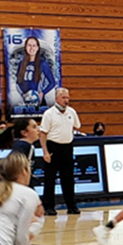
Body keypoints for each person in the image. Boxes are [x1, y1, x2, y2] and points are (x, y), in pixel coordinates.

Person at [39, 87, 81, 215]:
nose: (66, 100)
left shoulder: (71, 112)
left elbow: (77, 126)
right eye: (63, 98)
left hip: (67, 147)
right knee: (50, 179)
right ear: (56, 99)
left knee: (68, 178)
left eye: (67, 97)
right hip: (53, 147)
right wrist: (45, 152)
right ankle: (49, 207)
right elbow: (43, 134)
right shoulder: (49, 114)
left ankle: (71, 205)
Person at [15, 36, 57, 109]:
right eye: (29, 45)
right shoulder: (21, 64)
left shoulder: (43, 64)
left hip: (39, 101)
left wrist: (42, 93)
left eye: (34, 45)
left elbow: (52, 82)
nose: (31, 48)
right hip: (26, 101)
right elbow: (18, 83)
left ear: (37, 48)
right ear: (25, 47)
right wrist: (23, 94)